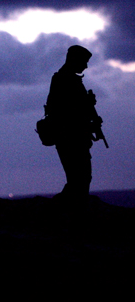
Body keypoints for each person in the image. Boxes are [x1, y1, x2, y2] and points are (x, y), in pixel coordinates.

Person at [46, 45, 103, 207]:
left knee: (80, 179)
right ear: (74, 60)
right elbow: (66, 113)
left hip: (74, 137)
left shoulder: (69, 79)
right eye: (84, 62)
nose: (86, 66)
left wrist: (88, 111)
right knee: (79, 179)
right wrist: (86, 105)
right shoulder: (63, 80)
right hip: (69, 138)